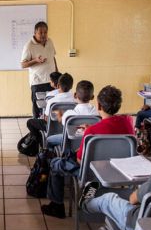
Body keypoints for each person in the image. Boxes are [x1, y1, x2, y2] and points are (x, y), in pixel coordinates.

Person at [42, 85, 135, 219]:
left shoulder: (92, 132)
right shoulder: (128, 122)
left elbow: (80, 161)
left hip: (92, 174)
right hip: (120, 173)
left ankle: (57, 205)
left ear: (99, 105)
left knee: (56, 164)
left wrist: (89, 133)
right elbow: (110, 128)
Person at [21, 21, 58, 119]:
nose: (43, 35)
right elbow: (23, 64)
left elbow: (53, 57)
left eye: (45, 32)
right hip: (37, 82)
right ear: (35, 33)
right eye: (40, 32)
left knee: (51, 107)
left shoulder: (50, 41)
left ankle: (50, 129)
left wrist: (57, 73)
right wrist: (35, 60)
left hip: (51, 81)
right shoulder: (29, 46)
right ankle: (36, 132)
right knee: (37, 109)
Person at [25, 73, 74, 145]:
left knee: (30, 122)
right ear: (71, 86)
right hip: (68, 128)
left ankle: (41, 143)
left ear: (58, 85)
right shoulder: (75, 100)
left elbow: (46, 118)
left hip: (52, 128)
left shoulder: (52, 101)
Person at [46, 80, 98, 148]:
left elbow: (60, 121)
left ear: (75, 95)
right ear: (92, 97)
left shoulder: (69, 114)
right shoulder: (97, 114)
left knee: (48, 140)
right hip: (90, 144)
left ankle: (51, 155)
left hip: (71, 145)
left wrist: (59, 113)